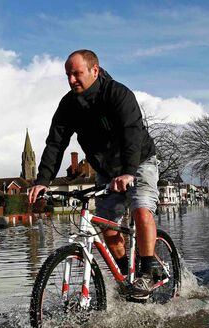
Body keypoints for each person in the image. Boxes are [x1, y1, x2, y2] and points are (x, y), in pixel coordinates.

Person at [28, 49, 160, 299]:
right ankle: (126, 277)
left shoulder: (118, 94)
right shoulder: (68, 105)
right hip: (106, 171)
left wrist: (130, 172)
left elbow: (132, 133)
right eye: (68, 75)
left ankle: (146, 272)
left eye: (77, 74)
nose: (71, 80)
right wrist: (42, 181)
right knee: (107, 227)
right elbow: (56, 144)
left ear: (94, 70)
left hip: (138, 162)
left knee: (141, 209)